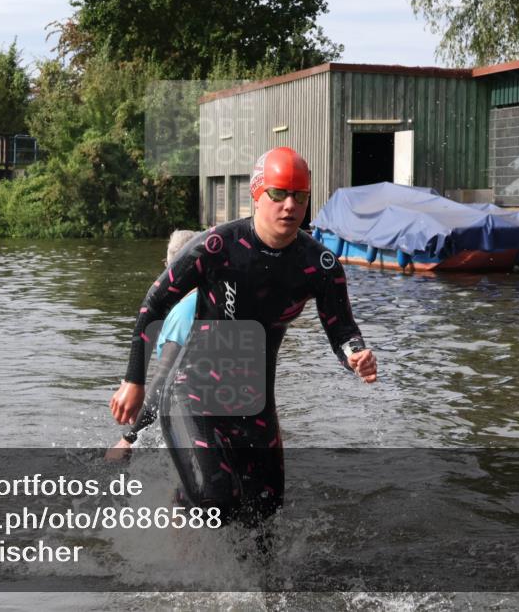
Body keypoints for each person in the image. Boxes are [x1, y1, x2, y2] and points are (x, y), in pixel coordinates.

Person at [109, 147, 377, 523]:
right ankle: (175, 551)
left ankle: (252, 582)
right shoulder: (216, 247)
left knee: (264, 514)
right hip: (194, 391)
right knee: (215, 498)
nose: (289, 205)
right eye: (278, 193)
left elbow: (342, 329)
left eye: (299, 196)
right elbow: (153, 305)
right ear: (257, 193)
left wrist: (355, 355)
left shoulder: (319, 265)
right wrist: (133, 380)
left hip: (254, 401)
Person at [107, 230, 199, 460]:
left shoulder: (184, 314)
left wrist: (128, 439)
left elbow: (163, 381)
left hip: (196, 428)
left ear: (171, 268)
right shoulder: (217, 300)